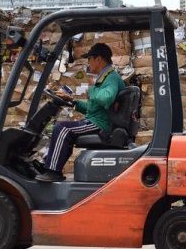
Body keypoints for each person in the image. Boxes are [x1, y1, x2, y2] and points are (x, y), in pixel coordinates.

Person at [35, 42, 125, 182]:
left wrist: (91, 90)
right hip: (97, 120)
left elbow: (106, 98)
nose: (88, 63)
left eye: (89, 59)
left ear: (98, 59)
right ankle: (48, 164)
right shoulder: (105, 77)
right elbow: (94, 108)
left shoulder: (111, 77)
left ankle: (53, 171)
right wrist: (73, 101)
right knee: (63, 127)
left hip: (100, 125)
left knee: (62, 128)